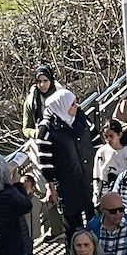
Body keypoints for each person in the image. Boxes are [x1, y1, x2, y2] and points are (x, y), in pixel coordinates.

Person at [35, 88, 95, 234]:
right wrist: (51, 185)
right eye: (72, 104)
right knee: (73, 227)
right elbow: (45, 161)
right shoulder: (47, 129)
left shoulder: (83, 119)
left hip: (89, 179)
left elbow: (96, 141)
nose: (77, 106)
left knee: (94, 222)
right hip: (67, 184)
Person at [92, 119, 127, 203]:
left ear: (120, 134)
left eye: (111, 136)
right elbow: (96, 173)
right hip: (106, 188)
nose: (108, 139)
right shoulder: (101, 151)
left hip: (125, 189)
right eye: (106, 137)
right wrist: (96, 193)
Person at [21, 64, 57, 139]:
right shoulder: (31, 101)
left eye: (45, 81)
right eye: (39, 81)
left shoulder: (62, 97)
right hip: (42, 142)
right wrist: (37, 133)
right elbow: (26, 129)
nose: (42, 84)